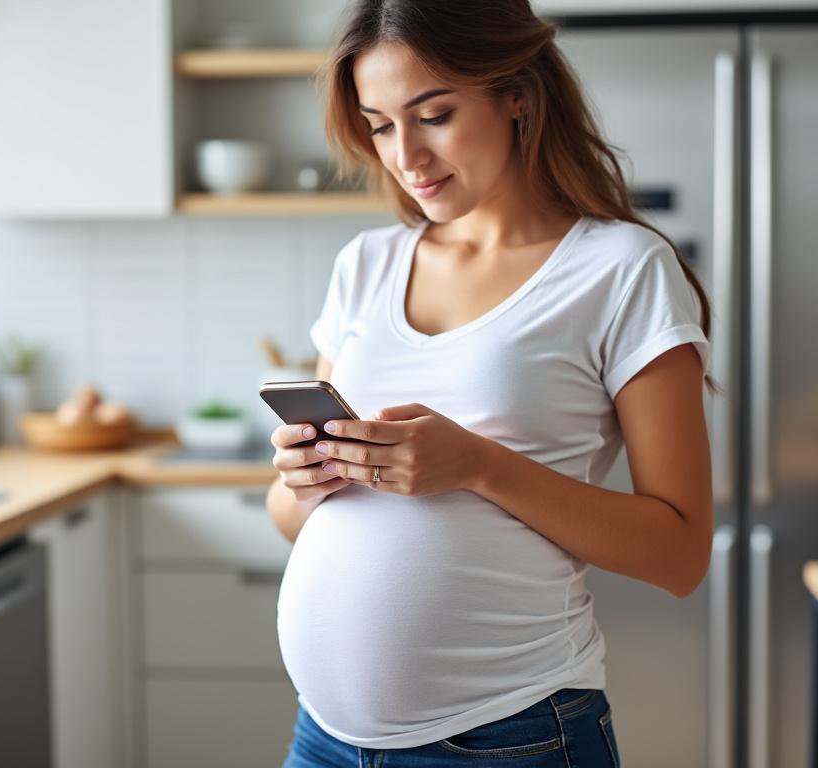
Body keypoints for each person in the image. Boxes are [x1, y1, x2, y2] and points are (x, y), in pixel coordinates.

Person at [264, 1, 717, 765]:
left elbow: (680, 555)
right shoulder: (366, 265)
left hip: (511, 737)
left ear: (515, 93)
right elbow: (289, 518)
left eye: (433, 114)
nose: (406, 155)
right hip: (326, 740)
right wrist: (304, 479)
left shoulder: (621, 268)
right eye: (380, 125)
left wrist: (477, 464)